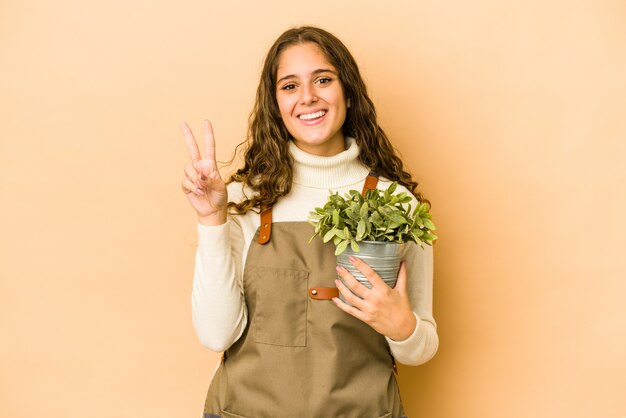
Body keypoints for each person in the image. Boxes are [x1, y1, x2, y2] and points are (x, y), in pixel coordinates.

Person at [181, 26, 438, 418]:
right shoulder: (243, 200)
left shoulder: (393, 204)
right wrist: (212, 219)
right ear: (275, 104)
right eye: (289, 86)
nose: (308, 98)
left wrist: (403, 327)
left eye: (323, 80)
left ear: (347, 93)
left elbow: (422, 346)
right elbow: (217, 334)